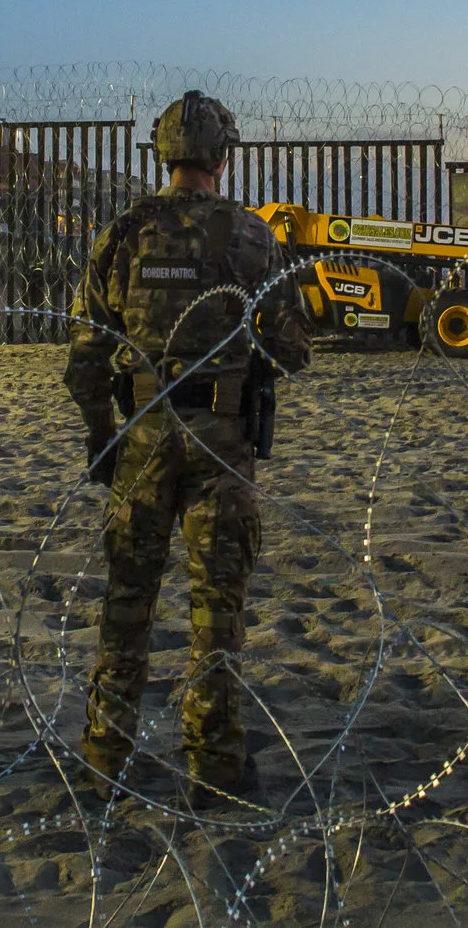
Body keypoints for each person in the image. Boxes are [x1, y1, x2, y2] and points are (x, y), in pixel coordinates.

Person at [66, 91, 309, 804]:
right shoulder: (250, 235)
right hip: (221, 432)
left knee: (127, 598)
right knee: (216, 606)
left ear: (163, 153)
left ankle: (105, 755)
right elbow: (292, 347)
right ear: (222, 157)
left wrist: (102, 433)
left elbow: (86, 355)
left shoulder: (124, 233)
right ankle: (215, 760)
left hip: (143, 428)